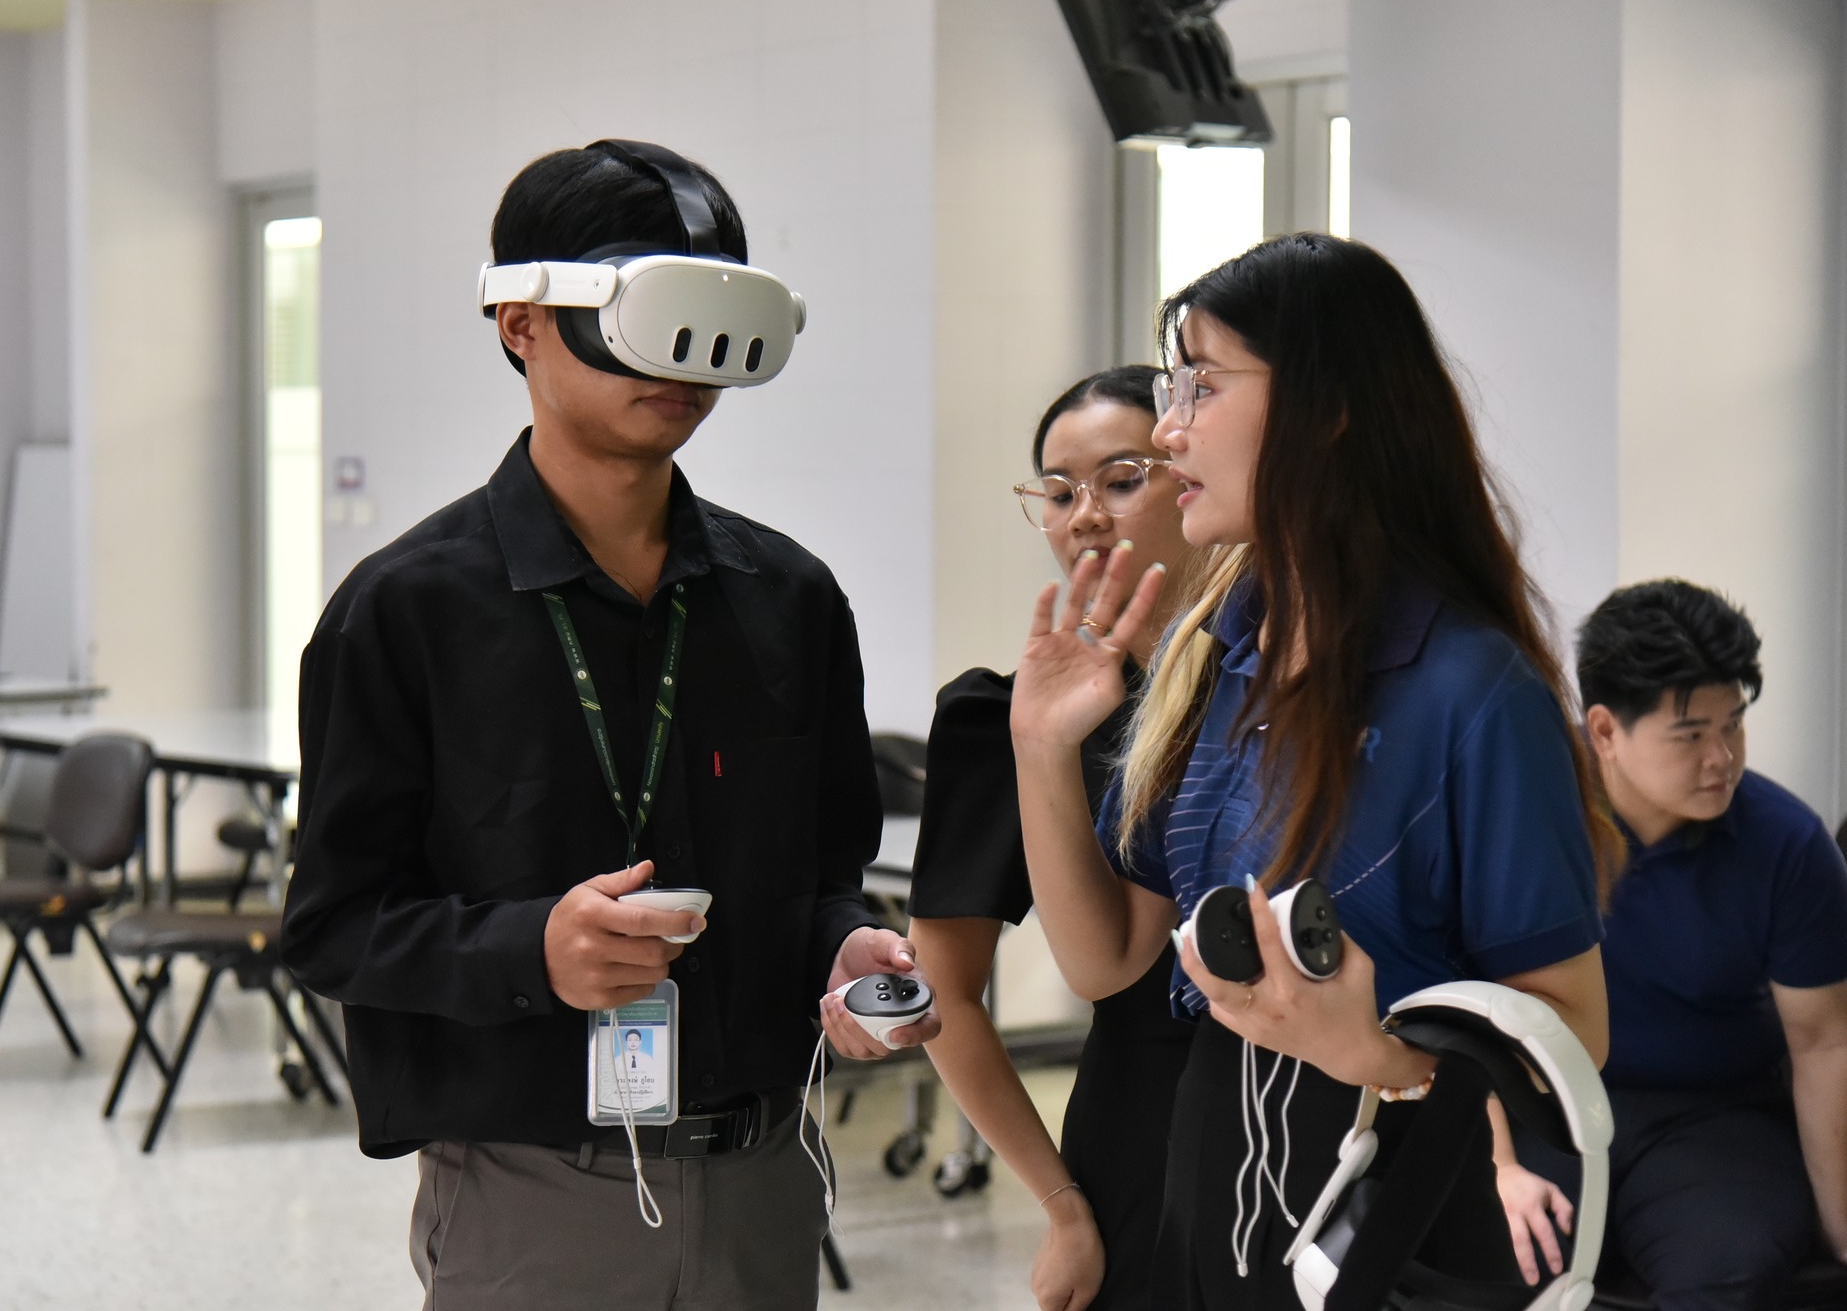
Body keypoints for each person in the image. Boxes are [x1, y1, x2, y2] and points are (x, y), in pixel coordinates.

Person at [279, 140, 938, 1311]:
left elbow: (822, 876)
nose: (681, 362)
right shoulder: (405, 611)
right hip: (535, 1189)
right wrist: (530, 950)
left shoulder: (788, 600)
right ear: (521, 321)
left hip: (764, 1174)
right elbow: (331, 927)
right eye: (648, 313)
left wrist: (841, 946)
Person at [1008, 232, 1622, 1309]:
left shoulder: (1472, 688)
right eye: (1173, 387)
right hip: (1209, 1174)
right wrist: (1039, 745)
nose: (1168, 427)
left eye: (1201, 385)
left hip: (1397, 1198)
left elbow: (1572, 1026)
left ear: (1327, 409)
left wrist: (1380, 1053)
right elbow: (1104, 958)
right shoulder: (1215, 653)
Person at [909, 365, 1199, 1311]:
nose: (1086, 516)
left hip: (1303, 1106)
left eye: (1122, 479)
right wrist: (1061, 1204)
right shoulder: (1006, 716)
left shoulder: (1269, 690)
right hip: (1138, 1129)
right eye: (1060, 492)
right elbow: (944, 990)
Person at [1492, 579, 1847, 1307]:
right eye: (1690, 734)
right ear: (1604, 730)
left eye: (1733, 725)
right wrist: (1498, 1163)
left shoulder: (1786, 844)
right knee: (1496, 1254)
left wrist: (1844, 1232)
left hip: (1713, 1115)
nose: (1722, 757)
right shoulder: (1525, 813)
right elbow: (1455, 992)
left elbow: (1823, 1044)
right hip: (1545, 1104)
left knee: (1732, 1266)